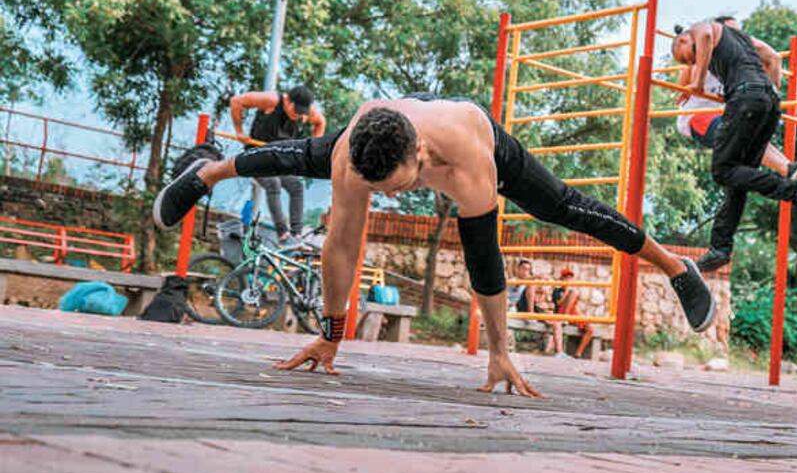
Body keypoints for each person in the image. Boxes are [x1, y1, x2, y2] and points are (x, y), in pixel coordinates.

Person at [153, 95, 715, 397]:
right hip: (375, 126)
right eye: (383, 193)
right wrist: (330, 337)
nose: (394, 199)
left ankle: (674, 266)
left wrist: (500, 350)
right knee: (307, 155)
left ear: (421, 156)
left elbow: (483, 261)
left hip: (480, 135)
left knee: (564, 208)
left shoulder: (466, 159)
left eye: (398, 188)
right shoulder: (357, 154)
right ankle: (207, 171)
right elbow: (342, 248)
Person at [670, 19, 797, 273]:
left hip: (745, 99)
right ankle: (720, 248)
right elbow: (772, 58)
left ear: (684, 39)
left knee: (722, 170)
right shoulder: (743, 40)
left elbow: (703, 37)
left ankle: (794, 189)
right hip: (767, 102)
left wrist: (699, 81)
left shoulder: (702, 28)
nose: (690, 64)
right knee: (737, 179)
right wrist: (769, 95)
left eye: (686, 59)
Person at [674, 17, 797, 181]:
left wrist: (770, 94)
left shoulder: (741, 54)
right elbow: (687, 75)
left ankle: (791, 168)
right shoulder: (702, 52)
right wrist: (697, 80)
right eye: (731, 32)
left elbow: (774, 58)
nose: (736, 36)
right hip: (698, 117)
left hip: (725, 113)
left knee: (752, 134)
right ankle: (787, 169)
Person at [229, 86, 326, 243]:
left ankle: (296, 234)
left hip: (280, 159)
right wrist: (239, 131)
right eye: (296, 110)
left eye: (302, 112)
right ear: (287, 100)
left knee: (296, 186)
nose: (298, 116)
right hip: (256, 156)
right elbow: (236, 101)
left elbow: (321, 122)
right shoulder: (271, 100)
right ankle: (283, 233)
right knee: (273, 183)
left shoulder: (306, 113)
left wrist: (312, 148)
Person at [549, 267, 593, 359]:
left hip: (572, 315)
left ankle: (577, 354)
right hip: (561, 314)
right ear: (562, 279)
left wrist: (582, 317)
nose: (568, 280)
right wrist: (567, 292)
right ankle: (565, 318)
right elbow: (558, 303)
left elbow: (575, 306)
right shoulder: (557, 290)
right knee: (573, 292)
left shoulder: (574, 291)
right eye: (566, 277)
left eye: (570, 278)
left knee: (590, 329)